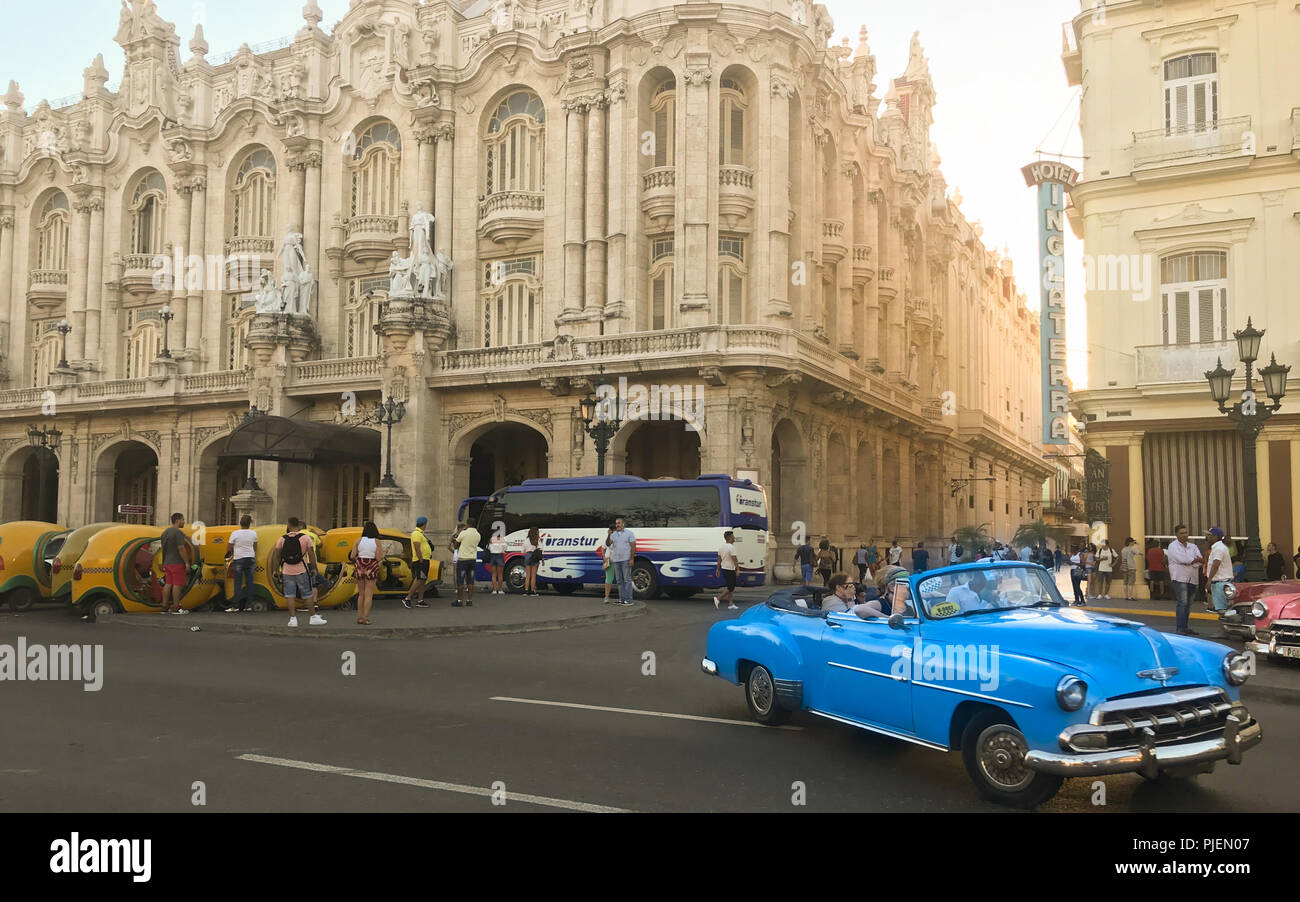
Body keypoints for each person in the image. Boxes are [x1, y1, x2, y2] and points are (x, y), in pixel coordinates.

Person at [275, 517, 325, 626]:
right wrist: (314, 568)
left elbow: (277, 556)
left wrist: (276, 570)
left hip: (286, 571)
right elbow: (311, 554)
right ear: (298, 525)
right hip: (301, 569)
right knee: (307, 594)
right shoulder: (305, 538)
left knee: (290, 595)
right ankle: (313, 617)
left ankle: (293, 619)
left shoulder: (282, 539)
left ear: (288, 525)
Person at [1167, 525, 1203, 636]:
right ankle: (1179, 628)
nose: (1185, 535)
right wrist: (1193, 560)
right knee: (1182, 603)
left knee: (1188, 604)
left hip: (1193, 578)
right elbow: (1182, 559)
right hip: (1179, 578)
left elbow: (1200, 560)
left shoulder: (1193, 546)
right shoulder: (1173, 546)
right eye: (1182, 533)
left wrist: (1192, 561)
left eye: (1186, 532)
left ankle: (1185, 627)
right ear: (1176, 534)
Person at [159, 512, 194, 615]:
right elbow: (181, 548)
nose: (184, 522)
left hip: (167, 562)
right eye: (183, 520)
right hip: (177, 562)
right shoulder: (177, 533)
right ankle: (176, 607)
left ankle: (164, 606)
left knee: (168, 584)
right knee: (177, 584)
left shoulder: (165, 532)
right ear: (178, 520)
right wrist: (187, 562)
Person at [349, 520, 381, 625]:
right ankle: (366, 618)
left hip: (359, 566)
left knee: (361, 594)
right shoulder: (377, 541)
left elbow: (352, 556)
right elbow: (378, 558)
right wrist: (383, 555)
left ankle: (360, 617)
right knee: (369, 595)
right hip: (371, 567)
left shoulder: (358, 540)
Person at [224, 515, 257, 613]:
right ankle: (249, 606)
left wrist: (231, 554)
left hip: (238, 559)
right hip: (250, 558)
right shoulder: (253, 533)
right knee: (250, 583)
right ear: (249, 523)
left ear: (240, 523)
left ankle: (236, 606)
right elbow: (255, 546)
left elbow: (229, 547)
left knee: (237, 583)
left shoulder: (235, 533)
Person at [606, 517, 637, 605]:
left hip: (625, 559)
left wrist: (631, 558)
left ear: (623, 524)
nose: (617, 525)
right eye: (616, 523)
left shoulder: (629, 533)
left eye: (619, 523)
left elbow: (633, 546)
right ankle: (622, 599)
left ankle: (629, 600)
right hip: (616, 560)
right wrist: (608, 535)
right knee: (619, 581)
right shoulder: (613, 534)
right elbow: (608, 544)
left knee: (627, 579)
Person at [1204, 527, 1234, 613]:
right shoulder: (1219, 547)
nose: (1207, 537)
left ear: (1215, 537)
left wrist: (1209, 580)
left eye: (1209, 535)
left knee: (1222, 610)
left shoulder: (1218, 549)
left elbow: (1215, 565)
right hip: (1222, 583)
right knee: (1223, 610)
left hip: (1220, 583)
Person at [404, 516, 432, 608]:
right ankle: (407, 598)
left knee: (423, 580)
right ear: (424, 524)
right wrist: (421, 559)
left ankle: (420, 600)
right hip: (420, 560)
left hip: (425, 559)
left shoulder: (421, 533)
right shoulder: (416, 534)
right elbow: (417, 547)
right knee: (419, 579)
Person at [453, 519, 482, 606]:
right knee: (470, 581)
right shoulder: (478, 535)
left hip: (463, 559)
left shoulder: (463, 533)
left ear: (467, 524)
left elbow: (455, 545)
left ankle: (459, 600)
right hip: (472, 559)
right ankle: (469, 600)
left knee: (460, 580)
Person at [714, 530, 739, 610]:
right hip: (730, 569)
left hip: (724, 569)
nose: (734, 538)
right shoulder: (731, 547)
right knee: (731, 587)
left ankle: (730, 604)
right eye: (733, 536)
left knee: (730, 586)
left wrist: (717, 569)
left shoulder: (721, 547)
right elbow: (734, 559)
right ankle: (718, 599)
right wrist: (737, 569)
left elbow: (719, 559)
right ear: (730, 538)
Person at [522, 526, 542, 597]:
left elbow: (522, 550)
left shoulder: (526, 540)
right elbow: (541, 549)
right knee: (533, 576)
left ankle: (526, 590)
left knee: (528, 575)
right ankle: (533, 591)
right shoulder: (538, 540)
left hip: (527, 556)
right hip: (535, 556)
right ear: (536, 532)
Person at [600, 527, 616, 604]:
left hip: (618, 561)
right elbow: (603, 548)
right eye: (611, 531)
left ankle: (623, 597)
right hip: (609, 561)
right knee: (609, 579)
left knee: (621, 579)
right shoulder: (608, 539)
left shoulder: (620, 539)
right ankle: (606, 597)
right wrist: (604, 557)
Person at [487, 529, 506, 595]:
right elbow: (505, 548)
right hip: (500, 556)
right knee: (500, 574)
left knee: (494, 574)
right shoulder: (502, 539)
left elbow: (489, 548)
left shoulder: (491, 539)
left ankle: (494, 590)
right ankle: (500, 590)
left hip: (492, 556)